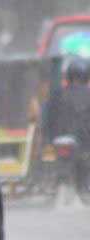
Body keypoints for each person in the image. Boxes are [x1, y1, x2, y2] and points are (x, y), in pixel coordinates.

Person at [42, 56, 90, 190]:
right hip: (82, 141)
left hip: (58, 139)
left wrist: (48, 138)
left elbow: (46, 118)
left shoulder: (57, 94)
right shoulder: (88, 94)